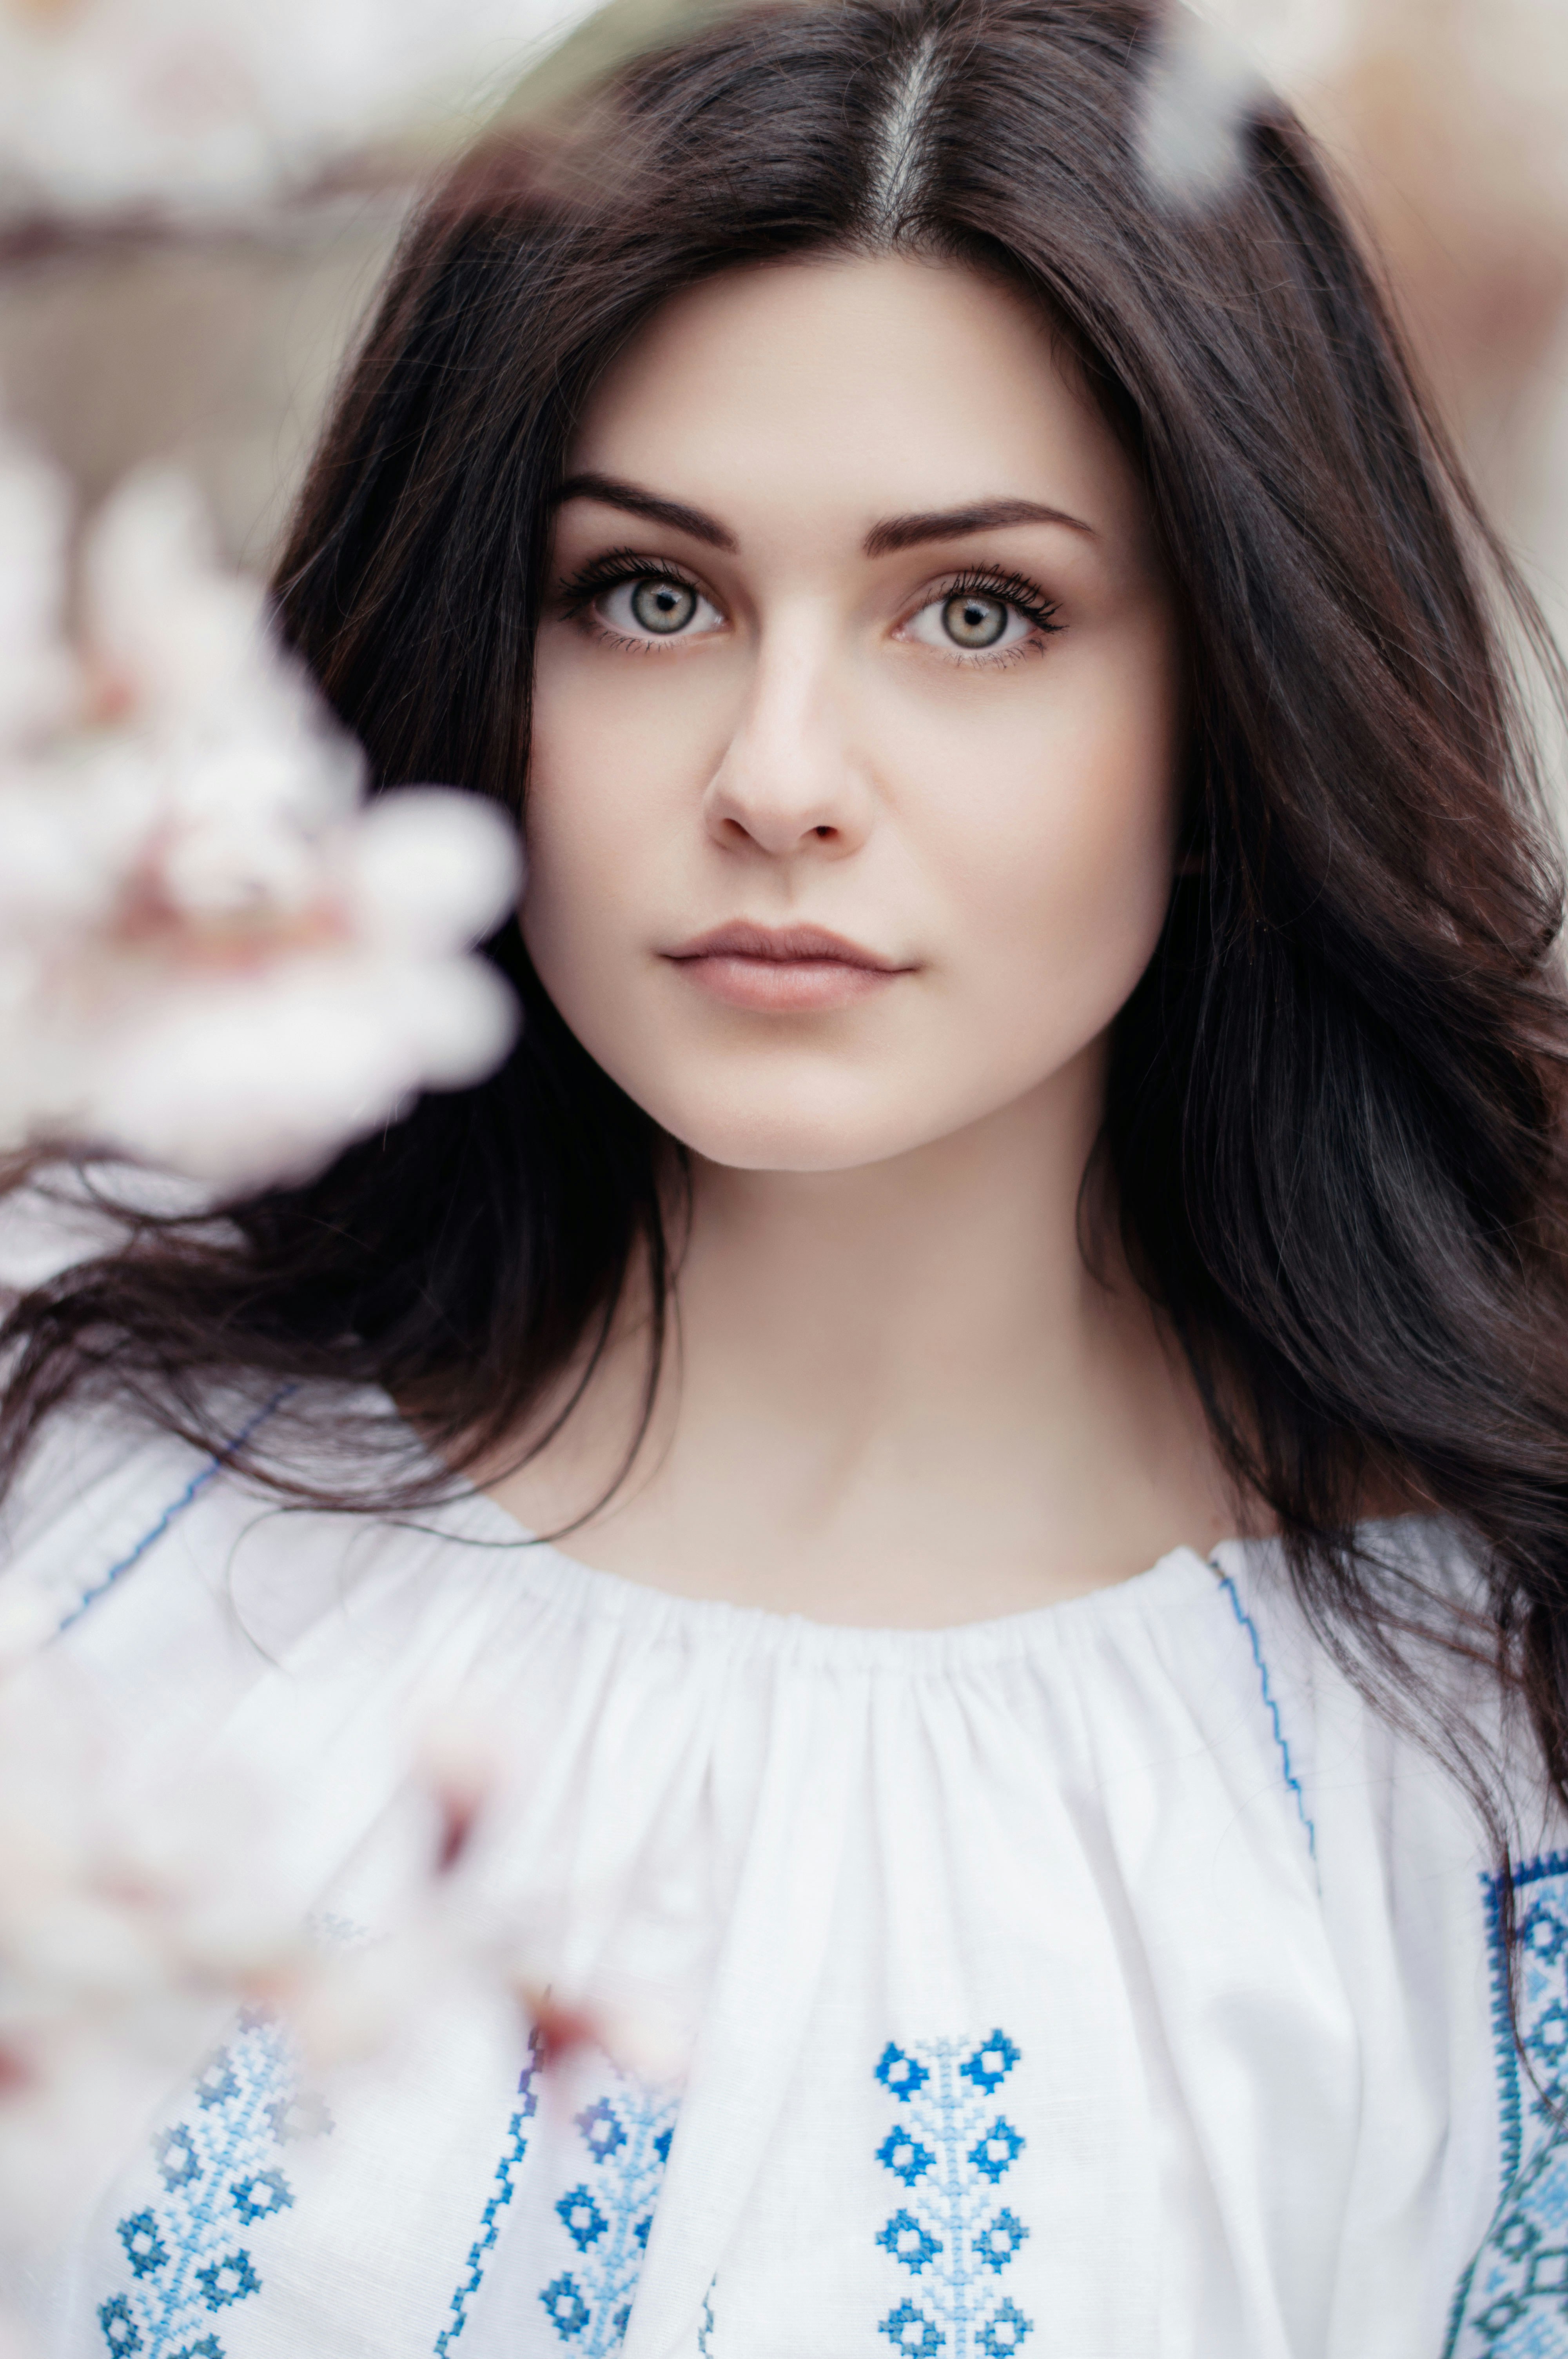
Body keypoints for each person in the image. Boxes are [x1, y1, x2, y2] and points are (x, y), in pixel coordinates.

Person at [3, 0, 1567, 2350]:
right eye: (651, 594)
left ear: (1238, 699)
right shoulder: (89, 1482)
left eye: (980, 612)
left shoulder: (1469, 1742)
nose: (780, 775)